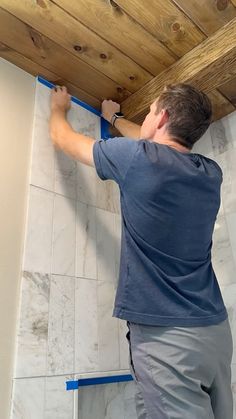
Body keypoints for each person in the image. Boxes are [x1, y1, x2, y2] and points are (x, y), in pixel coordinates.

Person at [49, 83, 233, 419]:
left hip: (168, 338)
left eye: (149, 110)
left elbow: (64, 139)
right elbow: (153, 142)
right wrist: (116, 118)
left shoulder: (135, 159)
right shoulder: (210, 173)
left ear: (161, 117)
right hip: (215, 334)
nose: (147, 116)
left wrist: (58, 107)